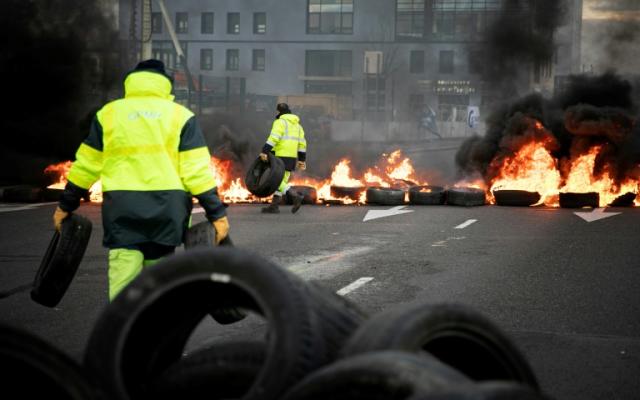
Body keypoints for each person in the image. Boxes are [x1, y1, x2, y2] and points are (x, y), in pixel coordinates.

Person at [52, 59, 229, 300]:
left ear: (131, 82)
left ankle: (122, 330)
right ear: (165, 83)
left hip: (123, 212)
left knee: (123, 283)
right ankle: (155, 334)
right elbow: (196, 172)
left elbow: (87, 165)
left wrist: (66, 206)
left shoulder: (109, 115)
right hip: (167, 211)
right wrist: (216, 214)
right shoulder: (181, 117)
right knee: (158, 288)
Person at [260, 103, 307, 214]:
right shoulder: (298, 126)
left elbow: (273, 138)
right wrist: (302, 159)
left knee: (276, 181)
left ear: (278, 112)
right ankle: (274, 206)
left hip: (279, 156)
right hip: (291, 157)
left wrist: (264, 151)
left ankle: (294, 195)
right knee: (282, 181)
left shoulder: (279, 122)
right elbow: (302, 144)